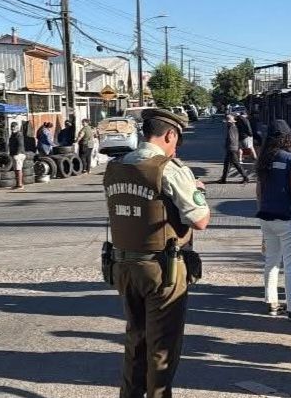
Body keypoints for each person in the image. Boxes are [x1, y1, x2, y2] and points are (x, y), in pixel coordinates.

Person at [104, 108, 211, 398]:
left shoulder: (116, 166)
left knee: (135, 339)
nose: (177, 147)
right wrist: (198, 190)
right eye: (178, 140)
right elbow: (200, 220)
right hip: (162, 270)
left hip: (124, 265)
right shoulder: (169, 169)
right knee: (162, 347)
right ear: (170, 134)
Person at [255, 120, 291, 321]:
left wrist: (262, 211)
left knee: (271, 260)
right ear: (288, 137)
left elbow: (259, 192)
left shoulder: (263, 160)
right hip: (288, 218)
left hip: (266, 217)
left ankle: (271, 302)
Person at [217, 115, 249, 184]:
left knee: (236, 164)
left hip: (232, 148)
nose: (226, 123)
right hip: (232, 147)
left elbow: (231, 139)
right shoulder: (233, 127)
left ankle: (246, 177)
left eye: (227, 122)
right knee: (227, 164)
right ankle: (223, 179)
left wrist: (230, 146)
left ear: (230, 122)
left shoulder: (231, 127)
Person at [8, 122, 26, 189]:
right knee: (16, 169)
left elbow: (20, 144)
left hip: (18, 154)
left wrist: (17, 154)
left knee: (18, 169)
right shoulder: (13, 134)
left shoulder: (19, 134)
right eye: (11, 126)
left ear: (17, 127)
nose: (12, 128)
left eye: (14, 126)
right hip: (15, 154)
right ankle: (18, 184)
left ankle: (20, 185)